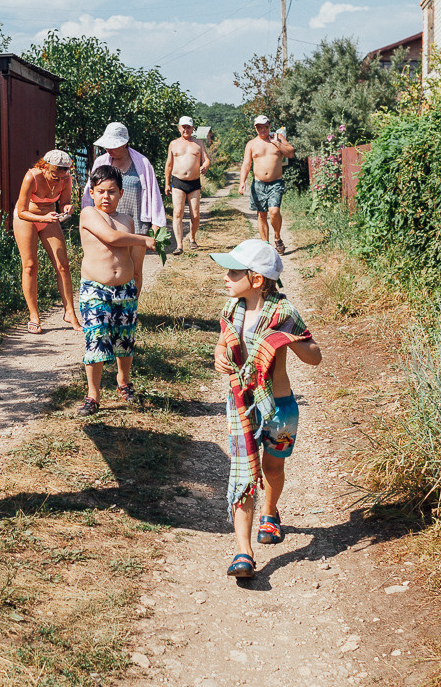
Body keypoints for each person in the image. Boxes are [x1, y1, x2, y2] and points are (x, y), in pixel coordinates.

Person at [210, 239, 322, 578]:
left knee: (273, 467)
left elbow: (314, 357)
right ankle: (243, 552)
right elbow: (222, 343)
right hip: (242, 405)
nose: (226, 277)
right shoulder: (231, 310)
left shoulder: (284, 314)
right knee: (244, 472)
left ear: (256, 279)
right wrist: (219, 356)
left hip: (279, 408)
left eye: (233, 272)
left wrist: (291, 340)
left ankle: (270, 513)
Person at [76, 164, 157, 416]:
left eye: (112, 192)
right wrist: (144, 238)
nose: (106, 197)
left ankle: (123, 381)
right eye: (100, 191)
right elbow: (111, 238)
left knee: (125, 339)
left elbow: (133, 258)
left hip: (125, 290)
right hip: (95, 289)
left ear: (121, 193)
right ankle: (93, 395)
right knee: (96, 339)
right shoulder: (88, 213)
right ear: (91, 192)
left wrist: (136, 284)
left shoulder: (127, 220)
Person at [83, 122, 167, 293]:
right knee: (110, 268)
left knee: (134, 271)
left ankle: (131, 306)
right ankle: (110, 302)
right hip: (107, 224)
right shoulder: (101, 162)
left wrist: (156, 223)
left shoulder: (141, 163)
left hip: (136, 223)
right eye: (107, 145)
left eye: (113, 145)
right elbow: (90, 191)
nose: (108, 149)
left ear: (124, 143)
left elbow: (153, 192)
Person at [13, 149, 82, 334]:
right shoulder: (32, 177)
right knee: (30, 265)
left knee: (63, 266)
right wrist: (42, 219)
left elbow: (64, 202)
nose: (58, 180)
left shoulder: (65, 178)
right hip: (26, 218)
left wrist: (67, 208)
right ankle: (34, 315)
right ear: (44, 166)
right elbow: (21, 211)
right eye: (54, 175)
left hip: (49, 218)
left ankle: (70, 312)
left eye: (62, 177)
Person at [239, 115, 296, 253]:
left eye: (264, 126)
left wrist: (277, 143)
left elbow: (291, 153)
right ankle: (266, 245)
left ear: (269, 126)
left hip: (275, 183)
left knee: (274, 211)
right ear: (255, 128)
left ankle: (277, 237)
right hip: (258, 184)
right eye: (259, 127)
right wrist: (242, 181)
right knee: (262, 215)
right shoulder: (251, 144)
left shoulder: (277, 137)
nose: (262, 129)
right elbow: (246, 164)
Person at [163, 116, 211, 254]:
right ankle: (179, 245)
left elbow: (206, 160)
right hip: (178, 181)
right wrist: (167, 184)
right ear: (179, 128)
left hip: (194, 182)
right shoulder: (173, 144)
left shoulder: (198, 143)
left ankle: (192, 237)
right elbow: (169, 164)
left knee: (195, 215)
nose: (186, 130)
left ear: (192, 128)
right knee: (178, 212)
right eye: (183, 127)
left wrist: (205, 166)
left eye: (188, 127)